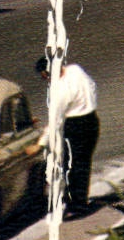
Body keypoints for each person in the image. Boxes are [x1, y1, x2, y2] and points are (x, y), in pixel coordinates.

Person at [36, 56, 99, 218]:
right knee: (83, 163)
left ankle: (76, 206)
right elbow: (92, 85)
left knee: (71, 166)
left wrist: (41, 143)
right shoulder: (75, 69)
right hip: (91, 120)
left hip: (76, 125)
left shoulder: (59, 90)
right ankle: (79, 199)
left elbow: (54, 122)